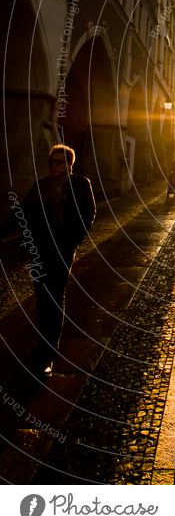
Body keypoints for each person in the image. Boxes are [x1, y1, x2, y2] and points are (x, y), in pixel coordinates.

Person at [0, 144, 95, 377]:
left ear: (70, 164)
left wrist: (73, 241)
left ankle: (49, 353)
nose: (54, 166)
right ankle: (42, 346)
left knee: (54, 298)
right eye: (52, 162)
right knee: (42, 299)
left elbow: (88, 214)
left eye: (60, 162)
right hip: (38, 250)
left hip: (61, 250)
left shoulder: (81, 184)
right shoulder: (41, 185)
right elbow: (22, 213)